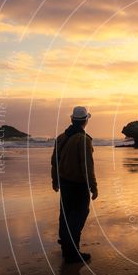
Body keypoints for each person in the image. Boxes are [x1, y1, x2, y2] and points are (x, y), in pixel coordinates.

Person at [51, 106, 98, 262]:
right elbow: (87, 166)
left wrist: (55, 181)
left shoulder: (61, 137)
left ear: (72, 120)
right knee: (78, 216)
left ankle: (66, 246)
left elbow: (54, 162)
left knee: (65, 215)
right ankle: (72, 252)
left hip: (65, 184)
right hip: (79, 185)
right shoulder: (84, 140)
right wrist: (93, 186)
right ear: (85, 121)